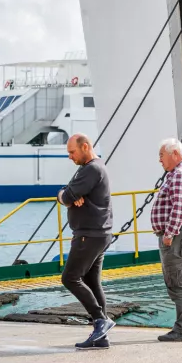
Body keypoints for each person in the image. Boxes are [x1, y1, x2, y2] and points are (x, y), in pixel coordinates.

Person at [57, 134, 115, 349]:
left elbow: (67, 195)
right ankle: (101, 336)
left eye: (72, 152)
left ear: (85, 147)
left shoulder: (91, 169)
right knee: (91, 281)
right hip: (98, 233)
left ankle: (101, 320)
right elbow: (67, 192)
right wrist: (66, 194)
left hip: (88, 234)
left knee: (70, 278)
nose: (70, 157)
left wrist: (65, 196)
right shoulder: (92, 168)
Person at [150, 138, 182, 342]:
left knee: (178, 283)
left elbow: (178, 207)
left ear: (174, 154)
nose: (160, 160)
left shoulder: (180, 174)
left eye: (162, 155)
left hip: (178, 234)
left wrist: (169, 234)